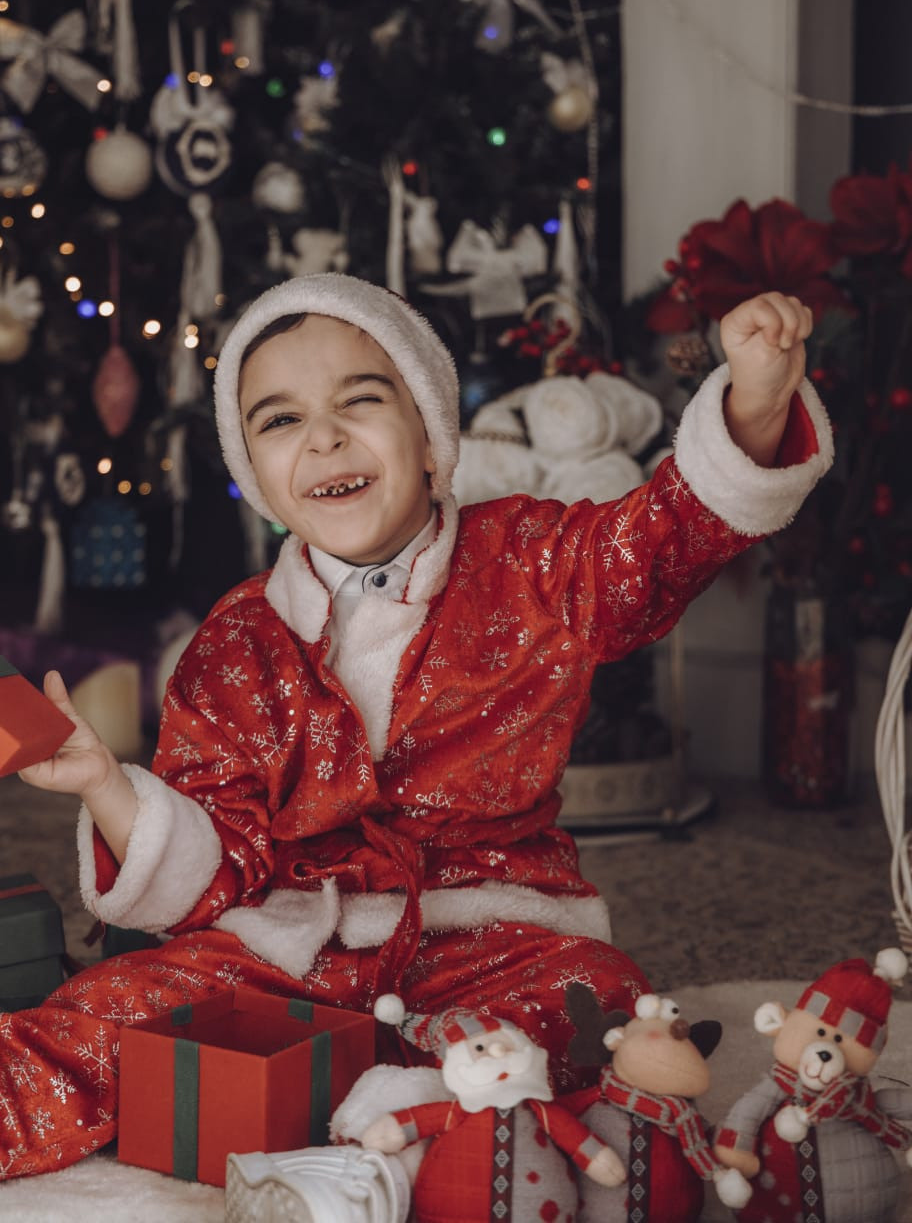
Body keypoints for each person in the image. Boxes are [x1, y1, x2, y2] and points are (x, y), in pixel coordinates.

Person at [3, 273, 832, 1179]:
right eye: (280, 421)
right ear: (255, 476)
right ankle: (408, 1101)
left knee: (602, 1002)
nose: (323, 436)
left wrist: (754, 405)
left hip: (490, 934)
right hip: (289, 948)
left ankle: (413, 1111)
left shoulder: (533, 561)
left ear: (433, 443)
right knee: (108, 1005)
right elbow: (216, 865)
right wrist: (106, 786)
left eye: (359, 400)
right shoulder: (234, 643)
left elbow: (665, 537)